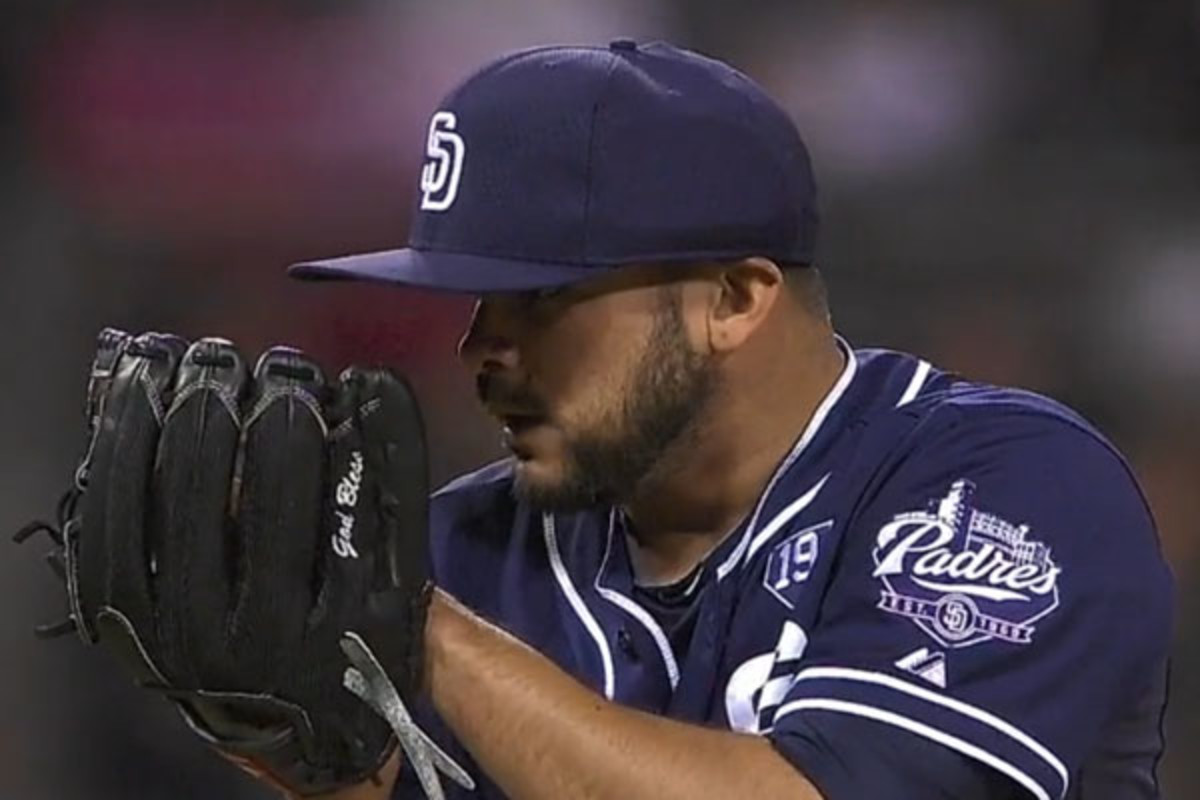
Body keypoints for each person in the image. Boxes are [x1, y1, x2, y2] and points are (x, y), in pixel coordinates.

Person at [292, 39, 1172, 799]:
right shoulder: (464, 547)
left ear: (736, 299)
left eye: (540, 297)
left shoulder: (1007, 489)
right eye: (478, 299)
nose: (481, 347)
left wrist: (425, 630)